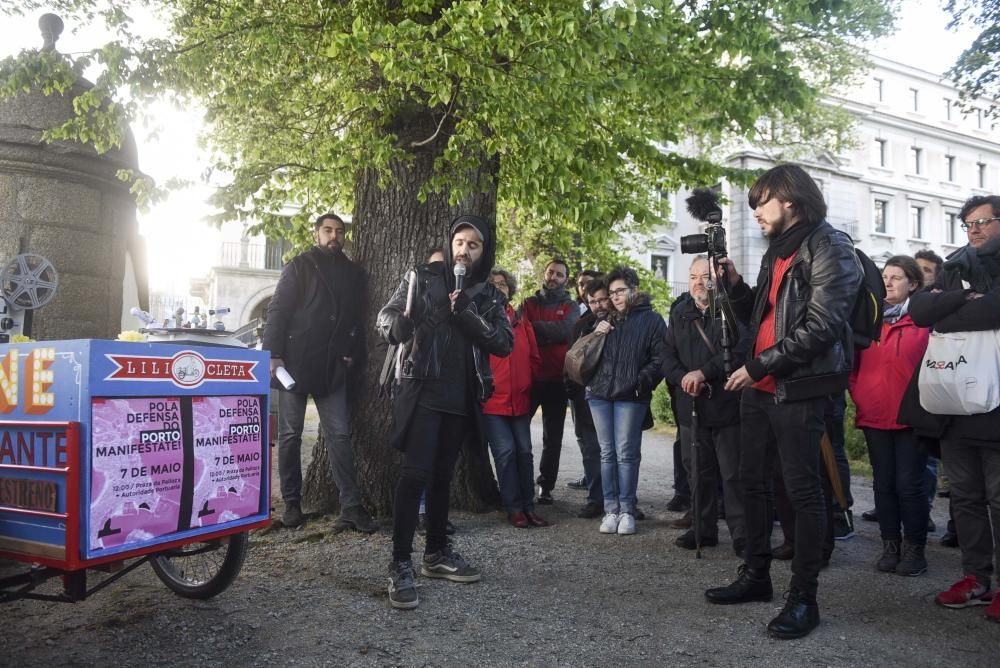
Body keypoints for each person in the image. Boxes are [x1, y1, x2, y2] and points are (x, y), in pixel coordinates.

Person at [704, 164, 863, 640]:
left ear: (790, 199)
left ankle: (803, 599)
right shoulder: (776, 251)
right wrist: (734, 287)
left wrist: (760, 365)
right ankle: (755, 577)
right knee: (751, 483)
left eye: (761, 202)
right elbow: (767, 315)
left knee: (803, 491)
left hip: (799, 388)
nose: (754, 211)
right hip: (762, 385)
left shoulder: (830, 246)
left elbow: (822, 326)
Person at [376, 214, 513, 610]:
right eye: (459, 242)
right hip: (422, 389)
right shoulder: (422, 276)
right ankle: (400, 562)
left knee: (442, 476)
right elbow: (385, 316)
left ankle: (436, 552)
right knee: (415, 474)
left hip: (463, 396)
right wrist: (395, 327)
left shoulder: (488, 295)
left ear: (483, 252)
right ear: (449, 244)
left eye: (474, 245)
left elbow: (503, 343)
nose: (464, 251)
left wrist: (467, 312)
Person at [905, 195, 1000, 621]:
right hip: (955, 405)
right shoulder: (955, 264)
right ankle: (976, 579)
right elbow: (923, 311)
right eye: (968, 223)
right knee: (965, 499)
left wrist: (955, 305)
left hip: (996, 408)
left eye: (983, 221)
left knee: (999, 500)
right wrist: (969, 300)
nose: (974, 229)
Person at [263, 213, 376, 532]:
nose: (334, 236)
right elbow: (278, 309)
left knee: (339, 434)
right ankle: (292, 506)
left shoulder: (353, 273)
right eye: (328, 230)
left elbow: (357, 320)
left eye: (339, 232)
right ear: (317, 235)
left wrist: (352, 355)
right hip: (295, 363)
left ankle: (351, 506)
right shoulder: (300, 265)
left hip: (332, 365)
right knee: (289, 435)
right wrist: (273, 355)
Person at [849, 256, 930, 576]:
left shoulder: (923, 323)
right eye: (885, 276)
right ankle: (890, 544)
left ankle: (915, 547)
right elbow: (852, 367)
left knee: (909, 484)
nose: (888, 282)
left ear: (913, 284)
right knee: (883, 483)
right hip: (875, 414)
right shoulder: (869, 320)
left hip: (912, 417)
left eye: (897, 277)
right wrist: (860, 395)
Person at [662, 256, 747, 554]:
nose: (698, 282)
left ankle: (742, 535)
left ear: (717, 277)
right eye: (693, 276)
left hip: (725, 406)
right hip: (691, 406)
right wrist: (683, 377)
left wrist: (703, 373)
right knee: (697, 472)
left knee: (733, 474)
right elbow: (666, 355)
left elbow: (739, 352)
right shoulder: (679, 312)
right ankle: (703, 528)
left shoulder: (730, 312)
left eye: (705, 275)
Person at [586, 265, 666, 536]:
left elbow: (660, 360)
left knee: (627, 454)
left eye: (620, 291)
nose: (616, 297)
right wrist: (597, 332)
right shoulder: (605, 318)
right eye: (612, 292)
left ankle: (627, 510)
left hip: (630, 396)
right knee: (607, 453)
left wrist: (640, 382)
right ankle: (611, 510)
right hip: (599, 394)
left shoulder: (652, 320)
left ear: (634, 289)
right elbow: (583, 351)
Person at [481, 268, 547, 528]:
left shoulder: (521, 320)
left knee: (525, 452)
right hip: (492, 401)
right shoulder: (481, 318)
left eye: (503, 285)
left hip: (520, 399)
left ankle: (529, 506)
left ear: (510, 289)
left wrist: (527, 382)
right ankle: (514, 508)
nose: (499, 288)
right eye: (494, 285)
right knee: (505, 452)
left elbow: (534, 357)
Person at [522, 259, 580, 504]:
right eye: (550, 272)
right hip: (531, 378)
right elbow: (521, 330)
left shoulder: (571, 306)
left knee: (552, 437)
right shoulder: (528, 303)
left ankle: (546, 486)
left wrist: (536, 331)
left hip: (557, 379)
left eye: (559, 274)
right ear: (544, 274)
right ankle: (521, 483)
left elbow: (567, 331)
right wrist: (548, 333)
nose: (554, 277)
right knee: (520, 433)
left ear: (565, 279)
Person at [566, 278, 611, 518]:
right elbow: (571, 361)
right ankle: (596, 499)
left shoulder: (621, 323)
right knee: (591, 450)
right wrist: (573, 393)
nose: (598, 305)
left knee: (617, 452)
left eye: (602, 299)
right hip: (585, 398)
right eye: (592, 301)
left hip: (614, 397)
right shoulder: (581, 326)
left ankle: (625, 500)